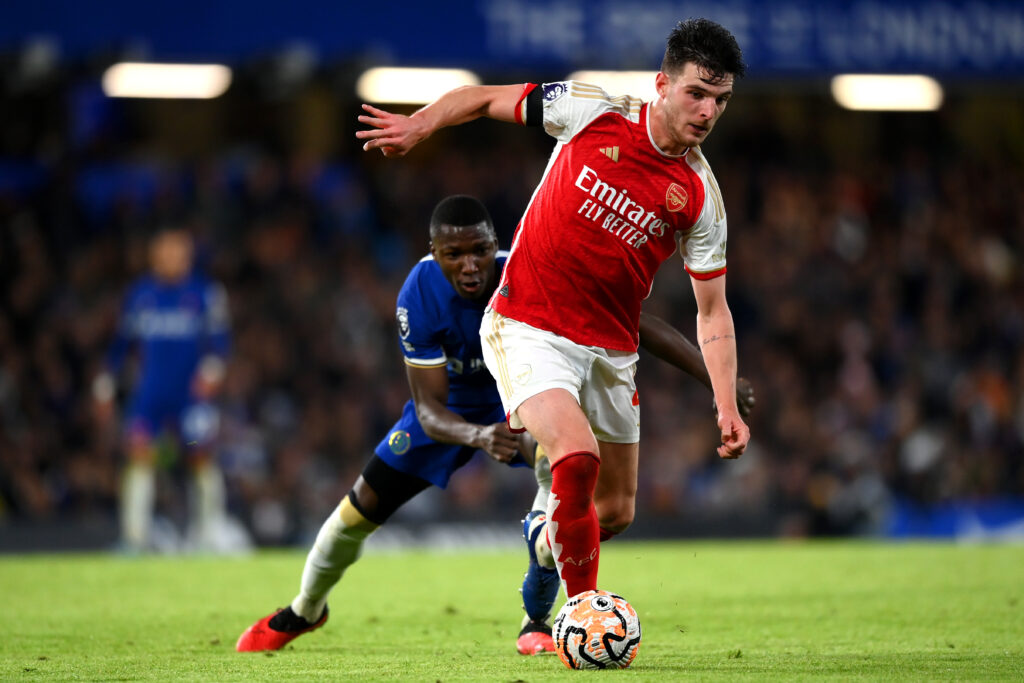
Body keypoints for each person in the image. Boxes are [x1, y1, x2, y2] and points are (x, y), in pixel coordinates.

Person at [235, 195, 754, 655]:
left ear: (495, 245)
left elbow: (631, 322)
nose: (469, 265)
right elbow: (431, 409)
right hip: (451, 415)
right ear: (432, 254)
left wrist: (713, 378)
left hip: (521, 392)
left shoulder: (528, 270)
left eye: (479, 250)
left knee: (567, 472)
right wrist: (479, 436)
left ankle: (538, 620)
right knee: (355, 514)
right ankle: (306, 609)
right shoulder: (417, 297)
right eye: (453, 254)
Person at [355, 18, 750, 601]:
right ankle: (581, 613)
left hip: (611, 349)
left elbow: (712, 311)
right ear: (661, 84)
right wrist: (420, 124)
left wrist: (725, 404)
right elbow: (484, 98)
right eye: (697, 93)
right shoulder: (595, 110)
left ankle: (544, 541)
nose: (707, 112)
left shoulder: (700, 197)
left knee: (612, 512)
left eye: (721, 100)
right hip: (527, 325)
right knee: (575, 455)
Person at [93, 227, 234, 553]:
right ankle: (134, 538)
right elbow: (121, 346)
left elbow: (221, 343)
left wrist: (213, 370)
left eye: (178, 253)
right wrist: (105, 384)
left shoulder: (205, 294)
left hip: (191, 398)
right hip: (151, 396)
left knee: (200, 456)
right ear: (154, 257)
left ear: (188, 257)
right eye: (165, 253)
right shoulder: (140, 295)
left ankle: (209, 535)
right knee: (140, 457)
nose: (171, 259)